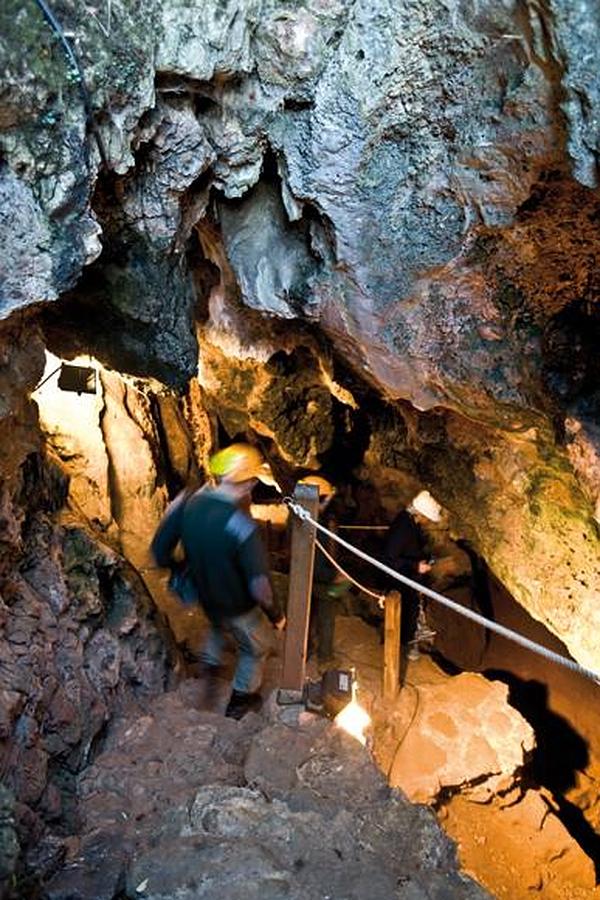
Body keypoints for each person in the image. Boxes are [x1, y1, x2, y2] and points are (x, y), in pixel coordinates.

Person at [151, 443, 285, 719]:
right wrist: (276, 615)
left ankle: (210, 666)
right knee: (258, 647)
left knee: (217, 623)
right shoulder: (241, 525)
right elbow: (260, 587)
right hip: (237, 605)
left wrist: (183, 569)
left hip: (205, 595)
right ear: (247, 482)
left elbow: (159, 552)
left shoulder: (188, 502)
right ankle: (240, 701)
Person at [381, 489, 442, 663]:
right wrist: (416, 565)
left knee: (411, 611)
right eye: (427, 518)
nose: (427, 522)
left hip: (408, 577)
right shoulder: (403, 527)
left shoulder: (409, 522)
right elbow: (388, 558)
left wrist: (423, 559)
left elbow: (409, 549)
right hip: (400, 581)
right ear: (420, 514)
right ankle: (400, 652)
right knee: (404, 614)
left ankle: (407, 644)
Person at [300, 475, 351, 665]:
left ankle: (304, 651)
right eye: (325, 499)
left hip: (304, 578)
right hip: (316, 579)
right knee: (327, 613)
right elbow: (317, 561)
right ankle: (325, 658)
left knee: (307, 616)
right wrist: (335, 577)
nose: (327, 504)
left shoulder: (299, 515)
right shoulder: (314, 523)